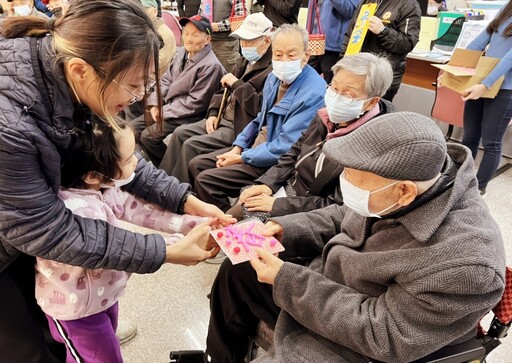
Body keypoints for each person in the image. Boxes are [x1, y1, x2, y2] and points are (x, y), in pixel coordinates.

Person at [0, 1, 233, 362]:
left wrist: (187, 204)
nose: (135, 99)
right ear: (81, 70)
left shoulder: (68, 80)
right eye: (135, 87)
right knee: (28, 345)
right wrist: (165, 251)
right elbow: (44, 230)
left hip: (63, 267)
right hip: (22, 247)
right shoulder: (10, 121)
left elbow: (123, 167)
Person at [183, 111, 506, 363]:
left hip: (367, 341)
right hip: (333, 286)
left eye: (354, 178)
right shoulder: (406, 188)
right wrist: (287, 229)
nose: (346, 184)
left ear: (403, 191)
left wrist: (286, 280)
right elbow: (343, 216)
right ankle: (222, 356)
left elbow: (385, 335)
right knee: (240, 269)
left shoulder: (466, 265)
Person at [36, 119, 214, 363]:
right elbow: (111, 255)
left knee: (108, 348)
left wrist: (191, 223)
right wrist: (173, 246)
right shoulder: (78, 211)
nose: (136, 163)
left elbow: (140, 210)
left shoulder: (104, 188)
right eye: (129, 159)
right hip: (74, 312)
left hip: (103, 296)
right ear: (92, 174)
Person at [230, 52, 395, 221]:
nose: (335, 97)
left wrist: (279, 205)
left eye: (348, 94)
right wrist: (268, 183)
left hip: (310, 211)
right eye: (334, 87)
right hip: (290, 188)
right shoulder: (325, 116)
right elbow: (294, 151)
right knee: (235, 212)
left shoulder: (372, 147)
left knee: (240, 228)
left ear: (372, 102)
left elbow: (339, 207)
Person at [190, 23, 326, 212]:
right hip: (255, 148)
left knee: (206, 180)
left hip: (272, 161)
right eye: (278, 54)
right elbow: (259, 118)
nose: (284, 60)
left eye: (292, 55)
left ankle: (223, 225)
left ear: (306, 56)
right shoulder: (274, 77)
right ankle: (211, 219)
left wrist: (243, 157)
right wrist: (238, 148)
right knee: (196, 164)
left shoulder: (313, 93)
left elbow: (285, 147)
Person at [159, 12, 274, 184]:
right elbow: (221, 89)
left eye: (249, 41)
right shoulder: (243, 61)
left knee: (191, 146)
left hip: (239, 125)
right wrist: (213, 113)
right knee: (179, 133)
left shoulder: (270, 70)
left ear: (266, 40)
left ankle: (178, 191)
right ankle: (163, 183)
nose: (244, 44)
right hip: (221, 117)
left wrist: (238, 85)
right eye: (242, 40)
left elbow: (259, 108)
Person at [130, 15, 226, 166]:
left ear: (207, 39)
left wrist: (164, 111)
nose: (188, 38)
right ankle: (155, 164)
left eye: (195, 35)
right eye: (186, 33)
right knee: (133, 129)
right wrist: (156, 103)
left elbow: (195, 103)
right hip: (171, 107)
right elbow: (166, 80)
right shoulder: (182, 52)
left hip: (190, 114)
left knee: (149, 136)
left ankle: (166, 167)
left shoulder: (210, 66)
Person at [461, 1, 512, 196]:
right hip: (481, 83)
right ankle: (461, 181)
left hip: (504, 89)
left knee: (491, 142)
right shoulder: (507, 9)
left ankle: (478, 189)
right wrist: (453, 68)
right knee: (470, 136)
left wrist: (486, 84)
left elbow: (509, 57)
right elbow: (480, 41)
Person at [340, 0, 421, 101]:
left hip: (383, 77)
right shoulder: (366, 2)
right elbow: (350, 34)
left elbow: (408, 43)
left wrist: (383, 31)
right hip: (358, 73)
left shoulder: (408, 4)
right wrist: (343, 61)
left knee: (376, 114)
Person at [308, 0, 360, 83]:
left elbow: (350, 11)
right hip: (314, 43)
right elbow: (313, 11)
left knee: (330, 87)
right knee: (304, 80)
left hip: (333, 48)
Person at [199, 0, 245, 71]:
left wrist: (219, 26)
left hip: (226, 45)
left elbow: (240, 18)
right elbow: (201, 13)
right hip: (205, 44)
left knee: (227, 76)